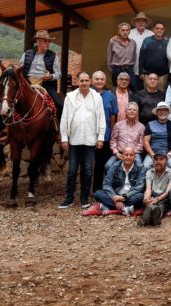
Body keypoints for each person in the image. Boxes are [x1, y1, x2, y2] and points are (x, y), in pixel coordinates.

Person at [59, 72, 106, 210]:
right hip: (74, 140)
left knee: (88, 170)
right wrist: (64, 138)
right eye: (82, 80)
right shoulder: (70, 97)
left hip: (90, 140)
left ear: (90, 82)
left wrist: (100, 137)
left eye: (86, 80)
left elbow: (101, 118)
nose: (84, 83)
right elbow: (64, 118)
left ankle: (84, 198)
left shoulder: (96, 97)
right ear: (77, 81)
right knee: (72, 170)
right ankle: (69, 198)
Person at [84, 147, 145, 216]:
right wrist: (114, 197)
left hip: (130, 196)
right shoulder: (115, 166)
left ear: (134, 157)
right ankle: (126, 209)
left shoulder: (141, 167)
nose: (128, 157)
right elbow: (106, 184)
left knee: (140, 196)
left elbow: (139, 187)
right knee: (98, 193)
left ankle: (111, 208)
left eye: (131, 155)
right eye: (126, 155)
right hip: (116, 195)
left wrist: (124, 197)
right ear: (122, 156)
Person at [19, 29, 62, 115]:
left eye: (49, 41)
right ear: (38, 41)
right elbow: (19, 69)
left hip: (45, 84)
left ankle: (58, 126)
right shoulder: (27, 53)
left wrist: (50, 76)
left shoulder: (53, 55)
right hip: (27, 83)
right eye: (45, 41)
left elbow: (58, 74)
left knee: (59, 104)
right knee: (11, 102)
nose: (48, 43)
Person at [138, 153, 171, 227]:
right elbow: (148, 188)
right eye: (156, 159)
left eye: (161, 159)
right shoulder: (149, 172)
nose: (158, 162)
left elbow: (167, 192)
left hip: (164, 196)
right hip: (153, 195)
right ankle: (151, 217)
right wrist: (146, 198)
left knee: (162, 205)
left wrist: (157, 199)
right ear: (153, 162)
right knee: (147, 203)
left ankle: (151, 217)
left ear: (166, 161)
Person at [143, 102, 171, 170]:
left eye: (165, 110)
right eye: (160, 110)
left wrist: (169, 155)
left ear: (168, 112)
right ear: (156, 112)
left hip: (168, 153)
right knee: (146, 166)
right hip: (153, 153)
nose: (162, 112)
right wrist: (152, 155)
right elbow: (146, 142)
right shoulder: (150, 124)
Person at [107, 102, 145, 169]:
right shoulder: (118, 125)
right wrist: (116, 152)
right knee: (108, 166)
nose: (132, 111)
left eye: (134, 110)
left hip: (134, 154)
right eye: (130, 109)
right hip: (119, 153)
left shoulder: (141, 127)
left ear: (137, 113)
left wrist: (131, 154)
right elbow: (113, 141)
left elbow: (141, 144)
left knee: (139, 166)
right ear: (126, 112)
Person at [138, 21, 170, 93]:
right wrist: (141, 72)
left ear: (164, 30)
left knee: (161, 94)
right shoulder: (147, 41)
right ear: (153, 29)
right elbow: (141, 56)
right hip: (148, 74)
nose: (159, 30)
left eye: (161, 29)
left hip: (163, 75)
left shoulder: (168, 42)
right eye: (157, 28)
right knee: (147, 94)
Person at [106, 22, 137, 90]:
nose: (125, 32)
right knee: (116, 89)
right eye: (123, 30)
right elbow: (109, 57)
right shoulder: (113, 42)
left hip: (129, 69)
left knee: (134, 89)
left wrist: (131, 66)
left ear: (129, 32)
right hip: (117, 69)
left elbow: (134, 56)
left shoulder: (133, 43)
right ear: (119, 31)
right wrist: (113, 70)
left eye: (127, 30)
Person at [129, 12, 153, 89]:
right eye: (138, 20)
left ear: (146, 23)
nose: (141, 22)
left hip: (147, 68)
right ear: (135, 23)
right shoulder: (129, 33)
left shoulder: (151, 34)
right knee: (133, 89)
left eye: (143, 21)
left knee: (147, 89)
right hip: (132, 66)